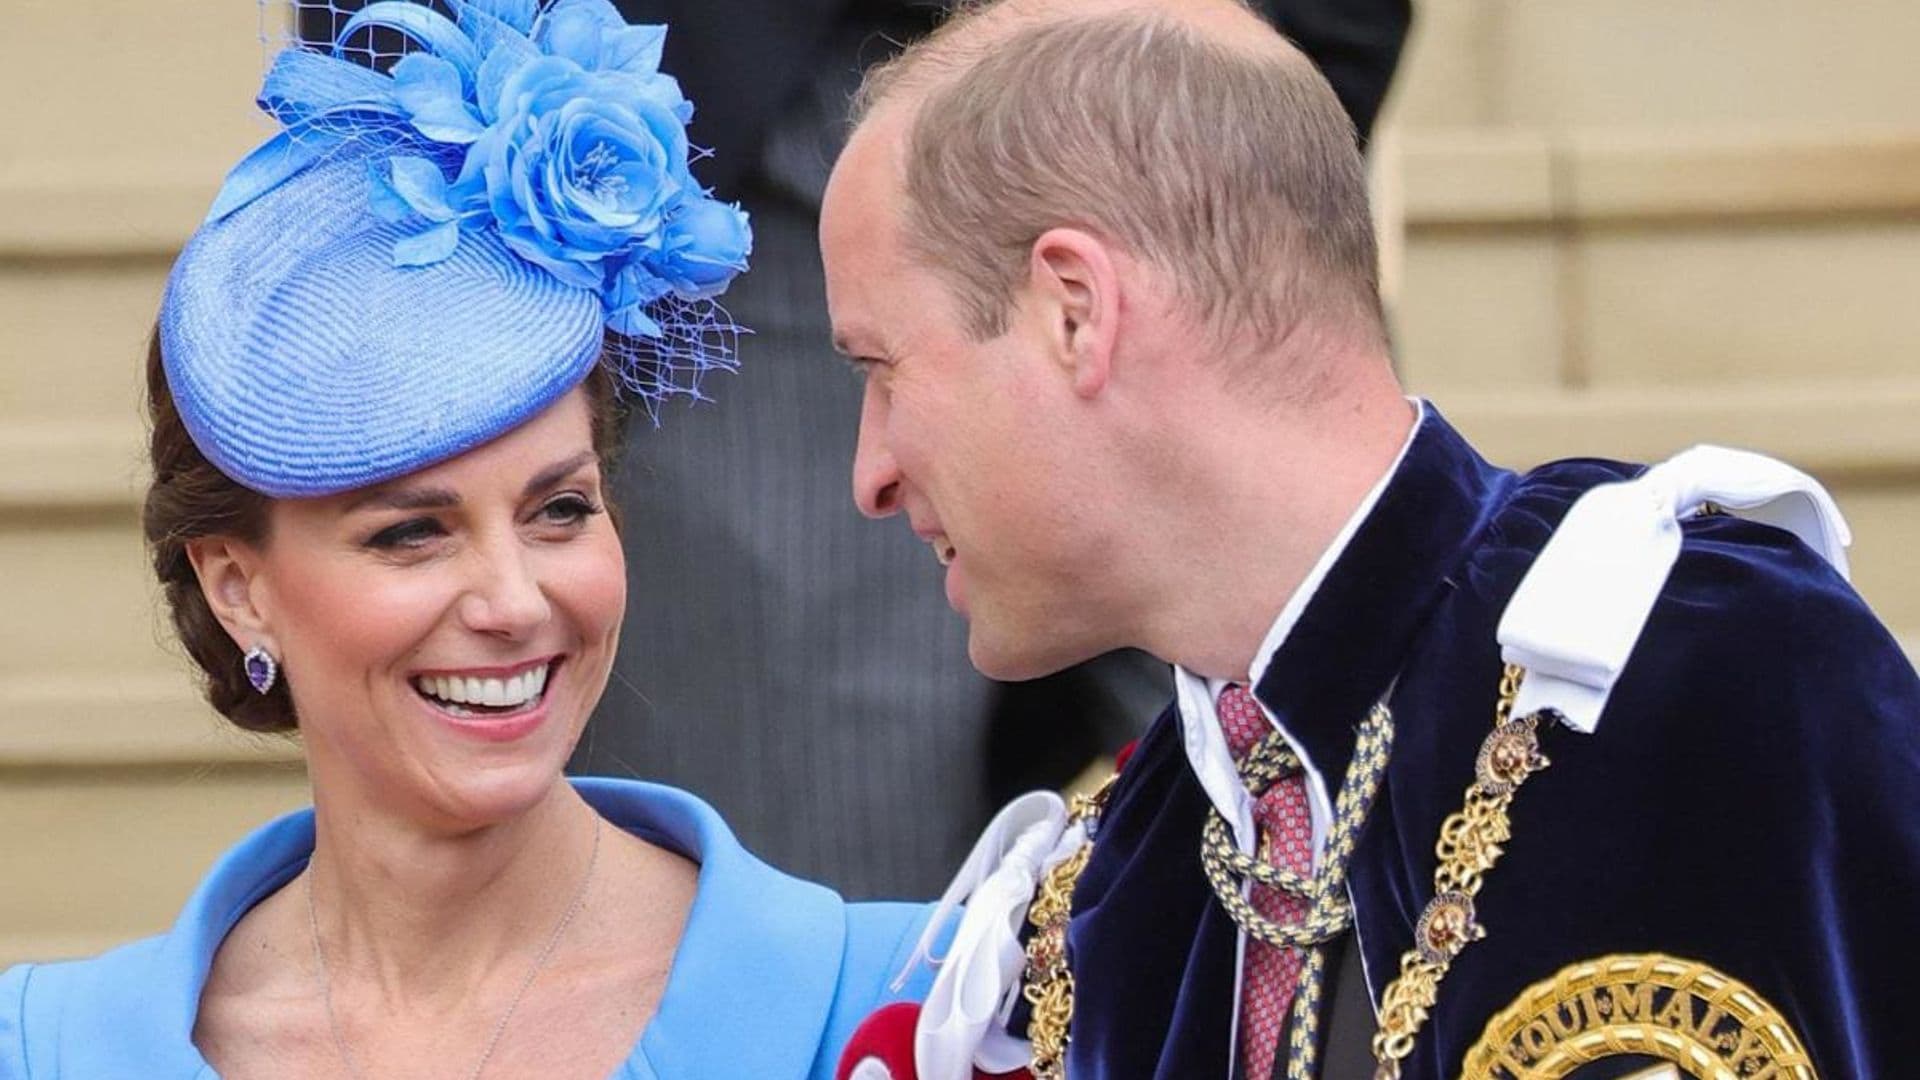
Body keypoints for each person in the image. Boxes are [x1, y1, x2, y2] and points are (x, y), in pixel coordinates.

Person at [819, 1, 1920, 1077]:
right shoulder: (1108, 890)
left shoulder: (1698, 666)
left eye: (881, 370)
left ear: (1074, 309)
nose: (870, 474)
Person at [0, 3, 940, 1077]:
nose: (514, 601)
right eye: (411, 534)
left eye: (559, 511)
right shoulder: (49, 1050)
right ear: (237, 588)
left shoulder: (902, 1008)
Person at [578, 0, 1408, 900]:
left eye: (883, 377)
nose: (873, 478)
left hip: (1186, 147)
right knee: (845, 902)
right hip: (763, 144)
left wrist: (1234, 169)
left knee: (1363, 833)